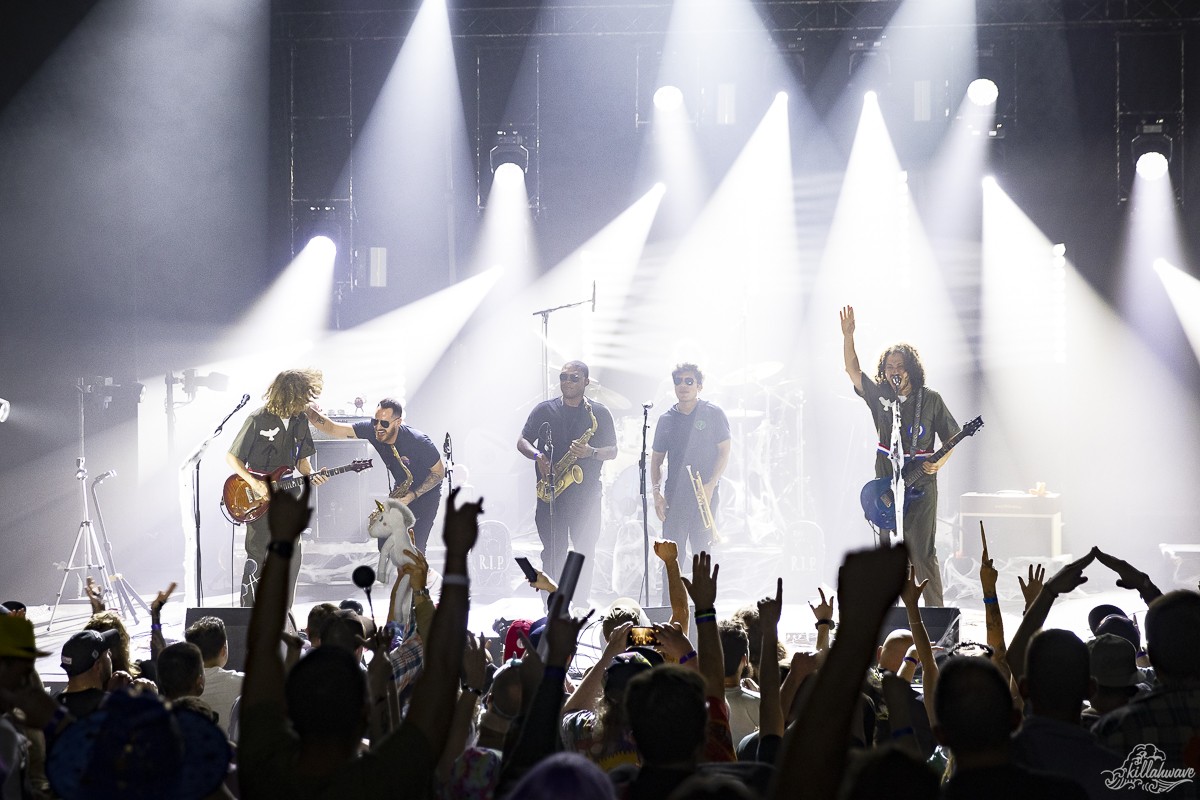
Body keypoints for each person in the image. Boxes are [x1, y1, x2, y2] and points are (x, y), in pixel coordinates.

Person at [840, 306, 959, 607]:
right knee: (888, 552)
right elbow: (853, 370)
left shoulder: (931, 399)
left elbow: (952, 438)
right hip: (887, 483)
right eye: (889, 366)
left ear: (911, 369)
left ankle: (936, 619)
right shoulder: (880, 396)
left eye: (900, 365)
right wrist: (848, 336)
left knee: (921, 552)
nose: (894, 370)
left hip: (921, 484)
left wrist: (938, 463)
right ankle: (889, 616)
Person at [225, 368, 328, 608]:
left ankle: (285, 614)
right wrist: (254, 483)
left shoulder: (301, 420)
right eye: (302, 396)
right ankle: (248, 612)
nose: (305, 402)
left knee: (292, 555)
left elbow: (302, 462)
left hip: (289, 495)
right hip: (259, 495)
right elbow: (233, 458)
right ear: (288, 394)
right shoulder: (257, 418)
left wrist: (312, 475)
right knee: (258, 553)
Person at [518, 360, 617, 604]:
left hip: (587, 497)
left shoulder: (600, 413)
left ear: (586, 381)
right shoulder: (544, 410)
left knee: (584, 553)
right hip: (551, 495)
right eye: (564, 377)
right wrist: (538, 455)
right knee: (552, 553)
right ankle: (551, 606)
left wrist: (590, 452)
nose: (567, 382)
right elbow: (522, 441)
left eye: (574, 377)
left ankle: (580, 605)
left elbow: (613, 451)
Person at [306, 397, 446, 551]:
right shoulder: (373, 430)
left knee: (416, 548)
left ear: (398, 422)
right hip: (402, 489)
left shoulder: (418, 441)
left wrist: (413, 496)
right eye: (375, 421)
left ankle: (420, 573)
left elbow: (439, 472)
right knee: (384, 543)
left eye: (384, 423)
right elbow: (333, 429)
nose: (378, 427)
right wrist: (307, 408)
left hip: (426, 495)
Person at [650, 363, 730, 598]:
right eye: (678, 381)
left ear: (699, 386)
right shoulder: (666, 419)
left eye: (689, 381)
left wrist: (711, 484)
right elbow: (656, 460)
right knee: (671, 556)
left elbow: (725, 451)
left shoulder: (713, 413)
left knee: (702, 554)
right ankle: (670, 610)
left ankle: (704, 610)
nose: (683, 386)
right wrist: (656, 494)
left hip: (705, 494)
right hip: (675, 495)